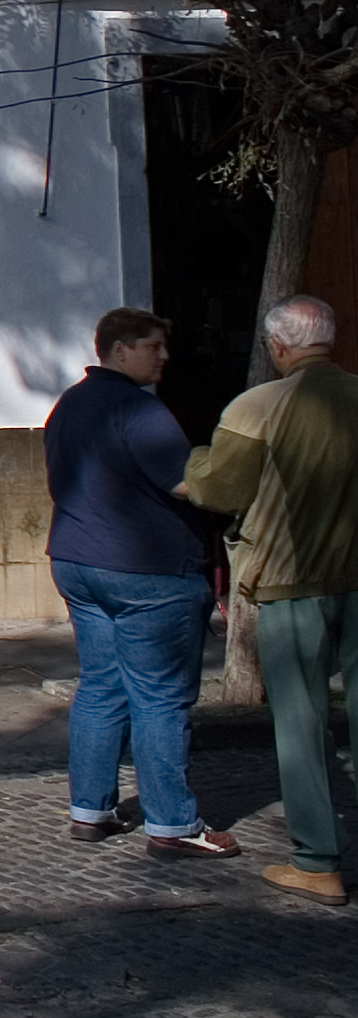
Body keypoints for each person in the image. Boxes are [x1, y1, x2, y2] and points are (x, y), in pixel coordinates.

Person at [180, 295, 358, 907]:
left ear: (277, 347)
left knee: (300, 724)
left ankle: (316, 860)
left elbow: (220, 487)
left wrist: (196, 460)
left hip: (291, 583)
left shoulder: (258, 406)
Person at [43, 306, 241, 856]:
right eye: (154, 347)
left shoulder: (69, 404)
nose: (165, 358)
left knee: (101, 685)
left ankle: (90, 810)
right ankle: (173, 824)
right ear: (120, 349)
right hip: (147, 572)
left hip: (77, 561)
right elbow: (186, 485)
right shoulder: (141, 410)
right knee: (160, 697)